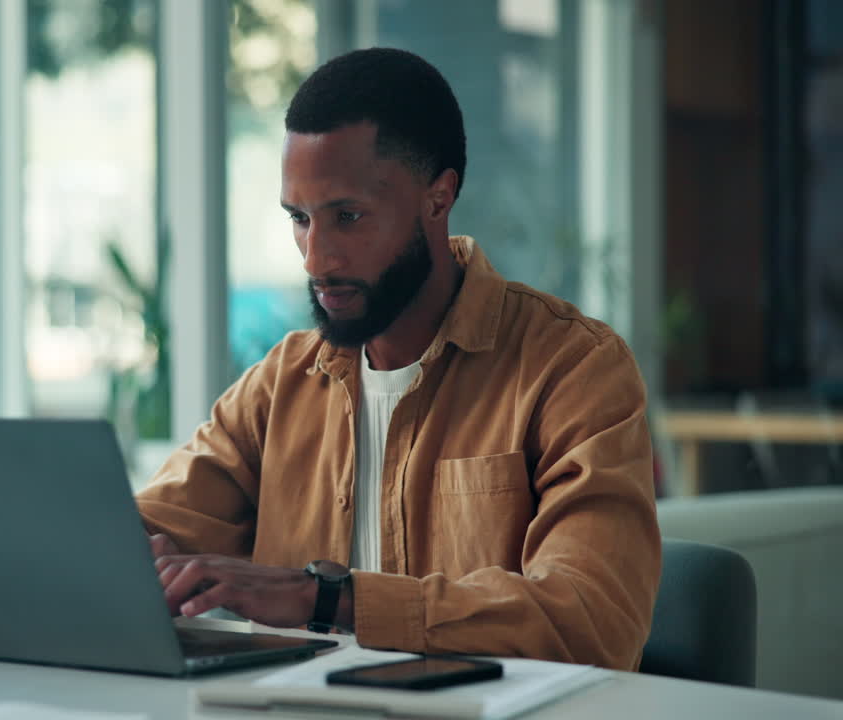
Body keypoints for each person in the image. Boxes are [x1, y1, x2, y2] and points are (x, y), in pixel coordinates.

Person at [137, 47, 660, 671]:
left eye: (347, 216)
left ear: (439, 198)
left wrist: (327, 598)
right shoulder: (282, 384)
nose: (315, 259)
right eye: (300, 219)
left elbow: (592, 620)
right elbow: (133, 540)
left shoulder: (573, 370)